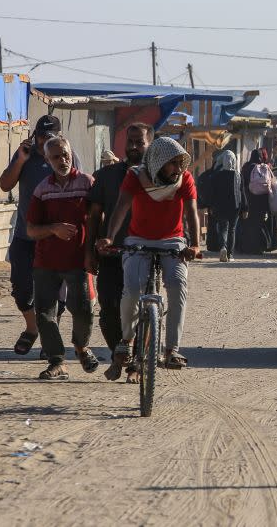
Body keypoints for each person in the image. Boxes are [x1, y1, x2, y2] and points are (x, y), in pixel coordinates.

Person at [96, 137, 200, 380]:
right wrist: (110, 237)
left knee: (177, 285)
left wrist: (194, 244)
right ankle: (126, 340)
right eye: (172, 163)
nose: (177, 168)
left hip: (173, 241)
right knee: (132, 289)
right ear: (158, 162)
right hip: (137, 240)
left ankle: (172, 348)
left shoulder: (184, 178)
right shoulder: (136, 176)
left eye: (179, 163)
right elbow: (121, 207)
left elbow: (192, 211)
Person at [0, 115, 85, 357]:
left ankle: (50, 338)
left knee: (56, 291)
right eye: (39, 135)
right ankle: (32, 327)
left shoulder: (66, 154)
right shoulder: (25, 154)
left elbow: (80, 186)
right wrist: (21, 160)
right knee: (21, 288)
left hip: (57, 237)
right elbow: (5, 185)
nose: (41, 141)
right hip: (26, 235)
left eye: (47, 136)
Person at [26, 136, 97, 380]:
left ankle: (81, 347)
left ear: (71, 152)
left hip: (78, 261)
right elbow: (31, 230)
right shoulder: (42, 189)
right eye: (56, 157)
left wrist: (94, 252)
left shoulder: (87, 183)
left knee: (83, 310)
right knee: (44, 314)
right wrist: (54, 228)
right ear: (47, 160)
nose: (62, 160)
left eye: (65, 154)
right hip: (46, 262)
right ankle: (57, 361)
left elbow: (100, 219)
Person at [85, 122, 152, 376]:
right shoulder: (107, 176)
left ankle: (138, 362)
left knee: (144, 309)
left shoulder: (161, 176)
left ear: (150, 144)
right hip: (112, 254)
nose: (134, 147)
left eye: (140, 142)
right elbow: (93, 216)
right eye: (130, 142)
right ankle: (118, 355)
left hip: (147, 254)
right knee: (109, 310)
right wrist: (89, 251)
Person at [205, 150, 248, 262]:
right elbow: (242, 192)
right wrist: (245, 208)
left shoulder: (216, 175)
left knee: (223, 229)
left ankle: (223, 247)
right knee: (232, 230)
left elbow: (212, 193)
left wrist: (210, 206)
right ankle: (229, 255)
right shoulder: (238, 175)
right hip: (235, 207)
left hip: (220, 207)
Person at [237, 149, 274, 255]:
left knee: (246, 224)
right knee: (258, 224)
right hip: (260, 200)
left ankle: (245, 248)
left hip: (247, 199)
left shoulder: (245, 167)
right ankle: (257, 248)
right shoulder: (262, 168)